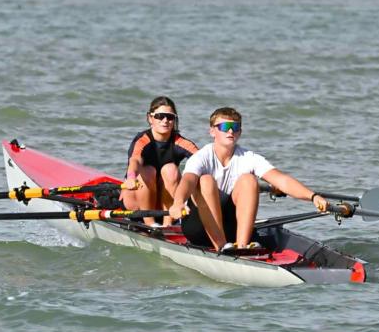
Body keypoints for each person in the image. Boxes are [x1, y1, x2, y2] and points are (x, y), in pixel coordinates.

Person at [169, 107, 329, 251]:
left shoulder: (249, 157)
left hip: (231, 228)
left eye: (235, 127)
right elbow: (188, 180)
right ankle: (221, 247)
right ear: (212, 131)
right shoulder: (201, 157)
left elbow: (281, 180)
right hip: (199, 229)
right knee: (206, 181)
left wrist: (313, 196)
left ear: (240, 132)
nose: (230, 131)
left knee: (249, 180)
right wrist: (178, 202)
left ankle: (241, 247)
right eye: (224, 127)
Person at [121, 96, 199, 227]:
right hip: (136, 204)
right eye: (160, 116)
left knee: (171, 169)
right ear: (150, 118)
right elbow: (135, 160)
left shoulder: (180, 142)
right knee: (148, 170)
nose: (165, 121)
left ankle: (167, 224)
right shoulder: (142, 140)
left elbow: (202, 159)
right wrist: (131, 177)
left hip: (163, 205)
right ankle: (150, 223)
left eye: (170, 117)